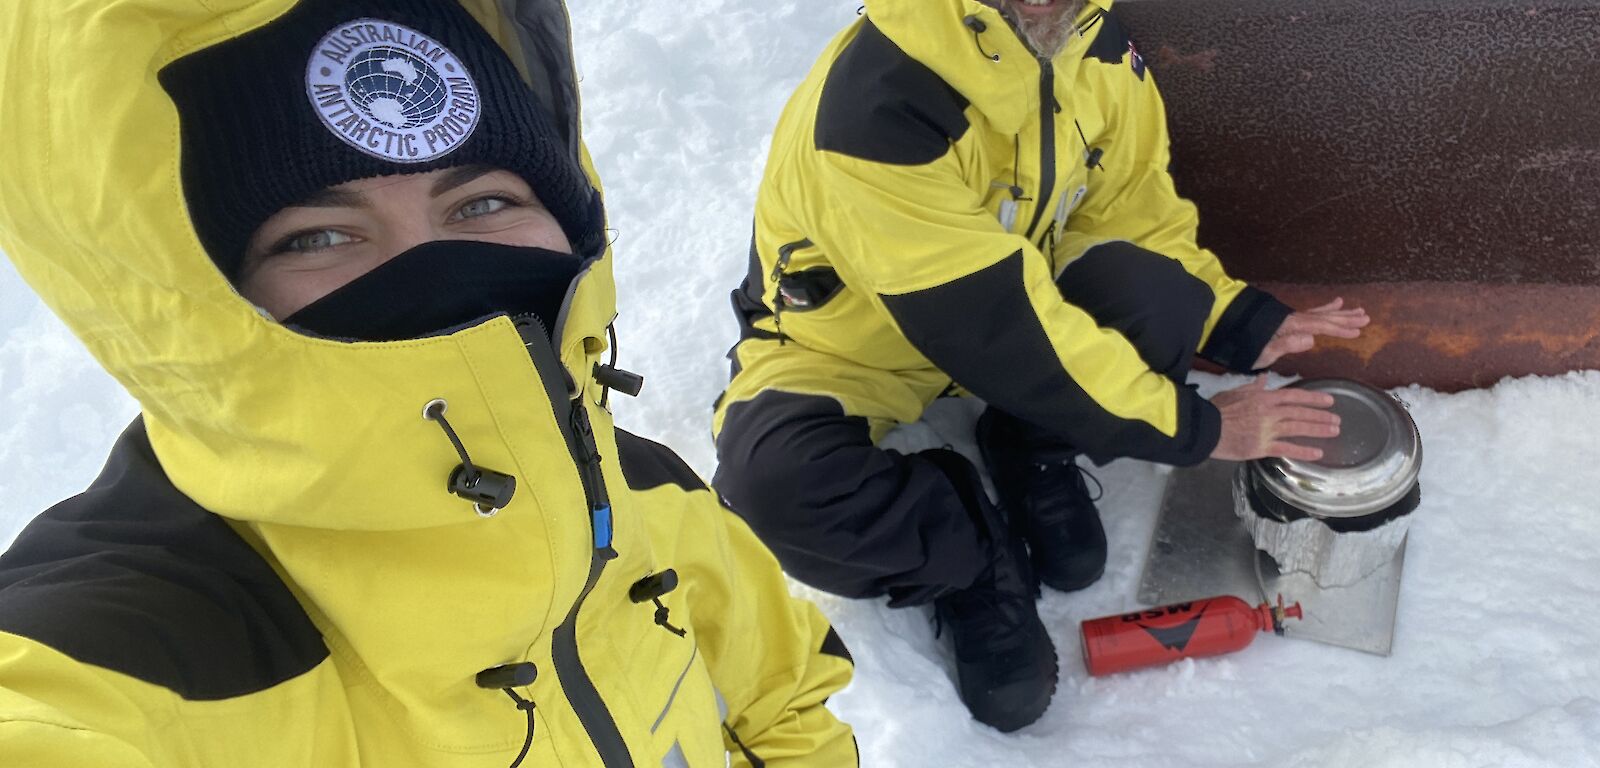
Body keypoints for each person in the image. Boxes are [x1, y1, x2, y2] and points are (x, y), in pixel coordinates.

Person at [0, 1, 858, 766]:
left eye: (481, 204)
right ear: (194, 298)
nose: (431, 264)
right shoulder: (134, 657)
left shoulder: (645, 491)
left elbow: (784, 705)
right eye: (316, 236)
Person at [710, 0, 1371, 732]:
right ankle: (965, 551)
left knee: (1163, 297)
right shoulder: (878, 106)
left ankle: (1030, 444)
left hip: (1010, 307)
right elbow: (994, 325)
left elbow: (1128, 212)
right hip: (849, 349)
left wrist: (1233, 317)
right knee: (773, 485)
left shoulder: (1096, 47)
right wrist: (1199, 427)